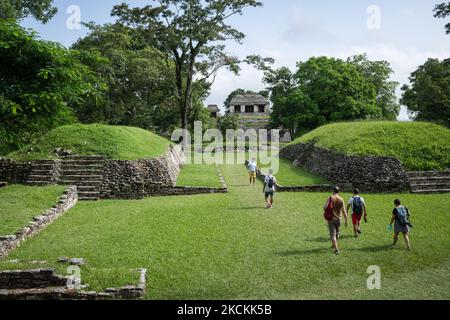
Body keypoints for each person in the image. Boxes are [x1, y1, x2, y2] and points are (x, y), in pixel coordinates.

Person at [324, 186, 348, 255]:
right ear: (339, 191)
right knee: (337, 233)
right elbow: (344, 211)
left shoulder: (330, 198)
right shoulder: (341, 199)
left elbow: (325, 207)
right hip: (339, 219)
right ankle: (333, 245)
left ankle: (336, 250)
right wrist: (346, 220)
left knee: (332, 235)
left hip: (331, 218)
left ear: (333, 191)